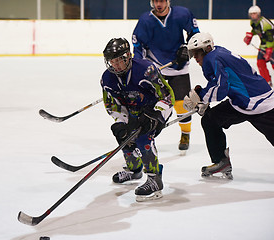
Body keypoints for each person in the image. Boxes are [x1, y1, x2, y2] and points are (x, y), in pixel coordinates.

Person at [184, 32, 274, 180]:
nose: (195, 57)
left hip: (257, 103)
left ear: (205, 49)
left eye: (196, 53)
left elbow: (221, 88)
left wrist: (201, 98)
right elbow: (220, 83)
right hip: (243, 100)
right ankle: (221, 161)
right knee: (210, 120)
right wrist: (203, 98)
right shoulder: (217, 52)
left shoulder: (211, 59)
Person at [101, 38, 175, 202]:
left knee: (142, 137)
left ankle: (154, 178)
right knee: (125, 136)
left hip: (154, 110)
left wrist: (156, 114)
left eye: (119, 60)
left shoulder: (146, 70)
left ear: (128, 56)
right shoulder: (107, 78)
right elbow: (112, 104)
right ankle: (134, 170)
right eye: (112, 61)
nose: (116, 65)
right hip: (132, 113)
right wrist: (121, 121)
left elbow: (167, 96)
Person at [132, 0, 199, 152]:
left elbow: (195, 34)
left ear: (168, 1)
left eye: (162, 0)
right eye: (156, 0)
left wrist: (187, 49)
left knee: (182, 104)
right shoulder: (145, 20)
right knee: (149, 104)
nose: (158, 4)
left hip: (178, 67)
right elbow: (138, 45)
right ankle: (145, 136)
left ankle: (185, 133)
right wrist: (140, 67)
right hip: (155, 68)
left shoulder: (182, 14)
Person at [243, 5, 274, 87]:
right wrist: (250, 35)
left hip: (272, 44)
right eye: (251, 14)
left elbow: (270, 38)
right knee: (260, 62)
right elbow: (256, 30)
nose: (253, 16)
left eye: (254, 14)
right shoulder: (252, 22)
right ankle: (267, 81)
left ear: (258, 14)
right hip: (264, 45)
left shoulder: (265, 24)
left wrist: (269, 50)